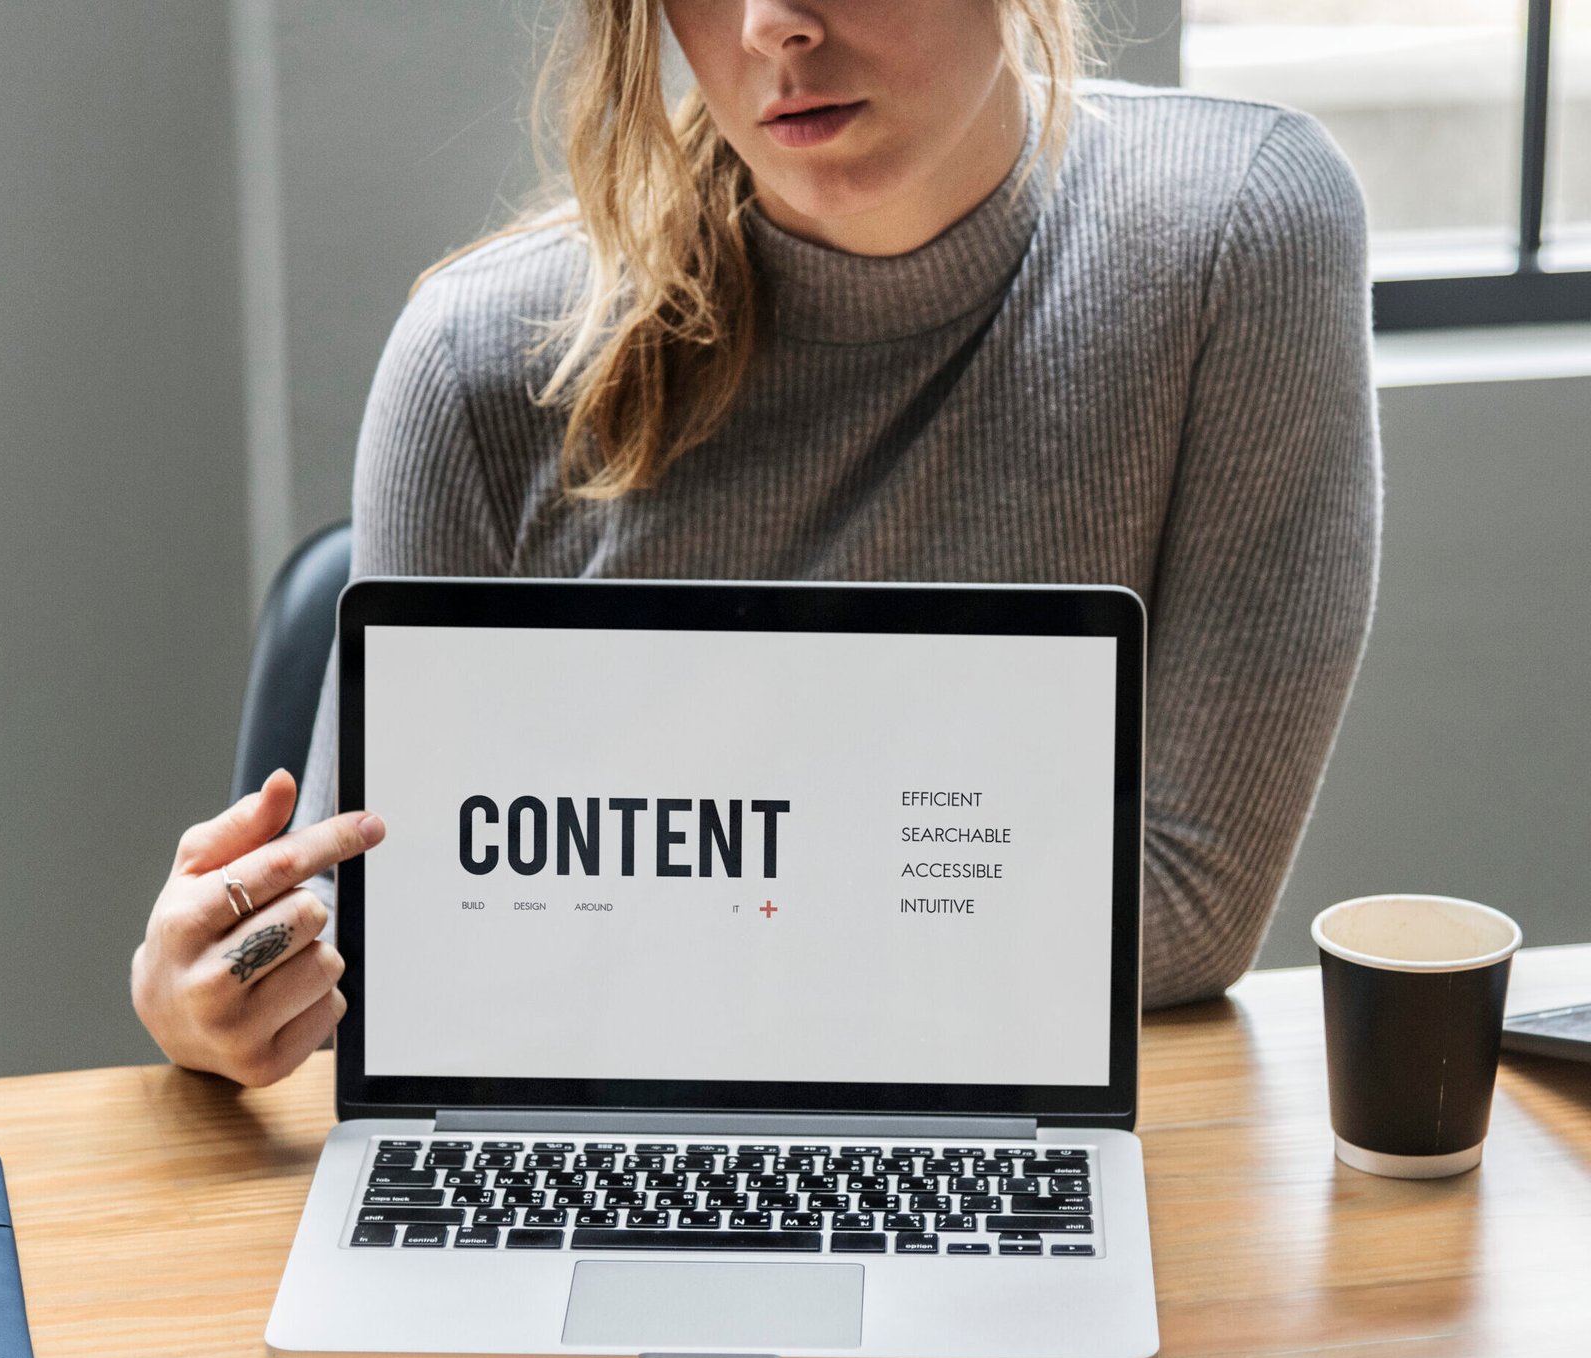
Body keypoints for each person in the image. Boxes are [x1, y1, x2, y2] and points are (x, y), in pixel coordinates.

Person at [132, 0, 1381, 1088]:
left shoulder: (1233, 239)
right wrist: (212, 987)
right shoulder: (481, 358)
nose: (768, 24)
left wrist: (604, 901)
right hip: (596, 1141)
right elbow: (390, 944)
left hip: (1000, 1129)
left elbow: (1177, 907)